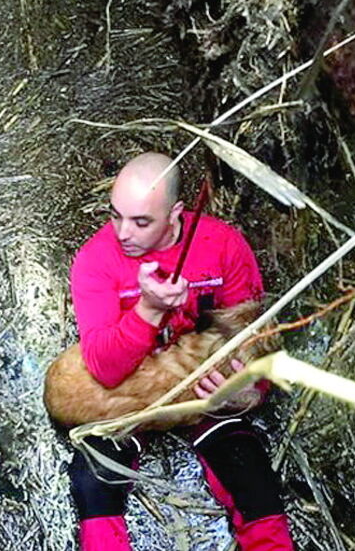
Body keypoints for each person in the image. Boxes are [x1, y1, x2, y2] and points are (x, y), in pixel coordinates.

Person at [67, 152, 294, 550]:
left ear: (175, 214)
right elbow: (104, 367)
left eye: (141, 221)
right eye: (115, 215)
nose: (122, 233)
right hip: (131, 394)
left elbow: (258, 341)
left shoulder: (223, 246)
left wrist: (244, 392)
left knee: (251, 470)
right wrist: (148, 311)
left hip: (201, 391)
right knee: (92, 476)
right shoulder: (95, 261)